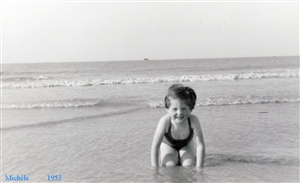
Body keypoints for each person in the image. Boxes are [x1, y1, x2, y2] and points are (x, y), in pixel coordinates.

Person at [151, 83, 205, 169]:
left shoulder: (193, 120)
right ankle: (174, 156)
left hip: (187, 145)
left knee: (188, 165)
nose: (179, 113)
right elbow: (155, 146)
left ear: (191, 109)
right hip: (168, 145)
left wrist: (199, 167)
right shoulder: (165, 121)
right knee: (170, 165)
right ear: (167, 109)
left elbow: (200, 145)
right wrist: (155, 169)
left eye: (184, 108)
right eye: (174, 109)